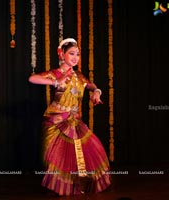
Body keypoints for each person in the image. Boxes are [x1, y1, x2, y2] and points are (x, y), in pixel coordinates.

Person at [28, 38, 112, 196]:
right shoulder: (55, 74)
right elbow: (32, 79)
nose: (75, 57)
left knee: (80, 154)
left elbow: (91, 85)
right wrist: (54, 82)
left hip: (74, 121)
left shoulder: (79, 76)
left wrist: (97, 92)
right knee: (56, 157)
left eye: (78, 54)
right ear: (62, 54)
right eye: (71, 53)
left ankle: (75, 187)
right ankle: (58, 188)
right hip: (56, 121)